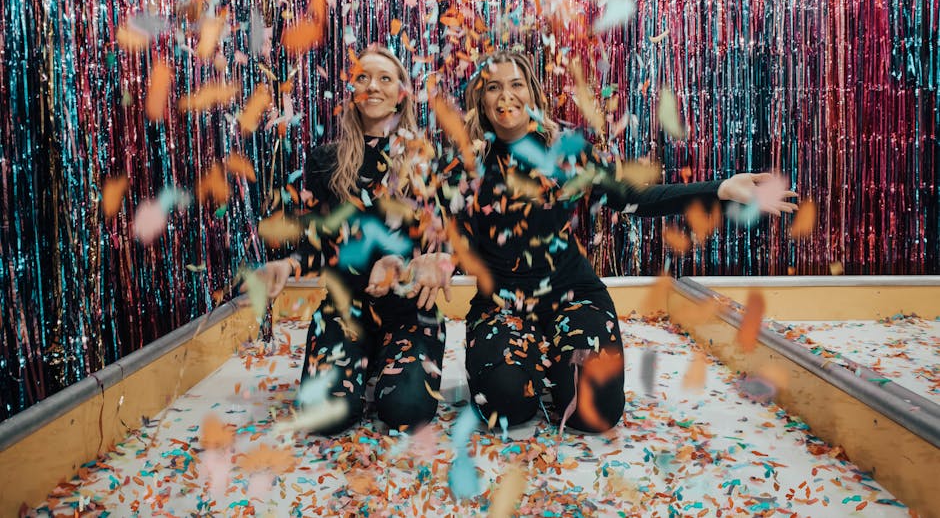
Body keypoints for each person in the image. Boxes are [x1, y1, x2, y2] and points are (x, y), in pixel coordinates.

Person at [443, 50, 798, 433]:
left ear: (533, 93)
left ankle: (560, 363)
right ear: (480, 99)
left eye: (516, 84)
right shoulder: (463, 164)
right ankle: (529, 362)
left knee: (594, 413)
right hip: (502, 306)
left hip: (573, 298)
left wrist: (721, 189)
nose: (505, 96)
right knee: (507, 406)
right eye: (493, 87)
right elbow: (450, 235)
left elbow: (636, 198)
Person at [253, 45, 451, 434]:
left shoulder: (425, 159)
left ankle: (386, 363)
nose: (372, 86)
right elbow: (315, 243)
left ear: (401, 93)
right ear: (353, 91)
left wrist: (419, 266)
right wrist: (286, 265)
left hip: (409, 313)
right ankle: (361, 359)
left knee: (406, 412)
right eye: (363, 77)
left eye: (384, 78)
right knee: (328, 418)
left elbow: (441, 243)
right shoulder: (325, 160)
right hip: (345, 312)